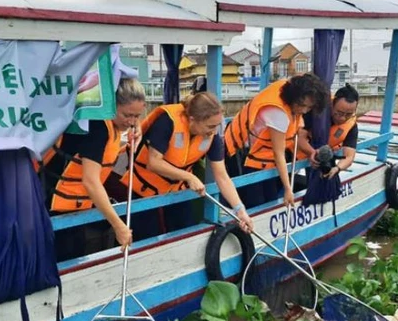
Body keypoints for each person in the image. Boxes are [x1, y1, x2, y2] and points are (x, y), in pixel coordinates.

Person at [38, 78, 146, 259]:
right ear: (111, 105)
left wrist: (138, 126)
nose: (132, 121)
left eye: (137, 116)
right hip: (52, 205)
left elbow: (127, 117)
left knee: (77, 254)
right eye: (127, 115)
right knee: (62, 260)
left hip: (76, 206)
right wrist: (118, 226)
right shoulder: (97, 128)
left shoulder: (112, 123)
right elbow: (90, 181)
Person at [121, 91, 254, 237]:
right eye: (210, 126)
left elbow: (222, 176)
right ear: (192, 119)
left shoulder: (212, 136)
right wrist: (189, 177)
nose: (214, 131)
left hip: (176, 191)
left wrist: (240, 211)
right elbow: (153, 162)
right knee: (146, 237)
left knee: (186, 232)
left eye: (217, 125)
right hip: (143, 190)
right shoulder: (167, 121)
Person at [224, 73, 328, 207]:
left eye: (309, 107)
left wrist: (310, 152)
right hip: (245, 155)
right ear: (293, 97)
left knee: (270, 198)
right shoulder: (278, 113)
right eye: (301, 105)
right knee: (255, 204)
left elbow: (293, 135)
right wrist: (288, 189)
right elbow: (278, 153)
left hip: (265, 159)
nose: (304, 110)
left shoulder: (292, 103)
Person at [298, 83, 360, 177]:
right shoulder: (316, 111)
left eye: (348, 114)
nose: (342, 118)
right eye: (339, 113)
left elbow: (349, 156)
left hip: (319, 159)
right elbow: (299, 138)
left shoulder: (352, 126)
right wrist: (312, 152)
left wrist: (337, 168)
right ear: (332, 104)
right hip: (292, 152)